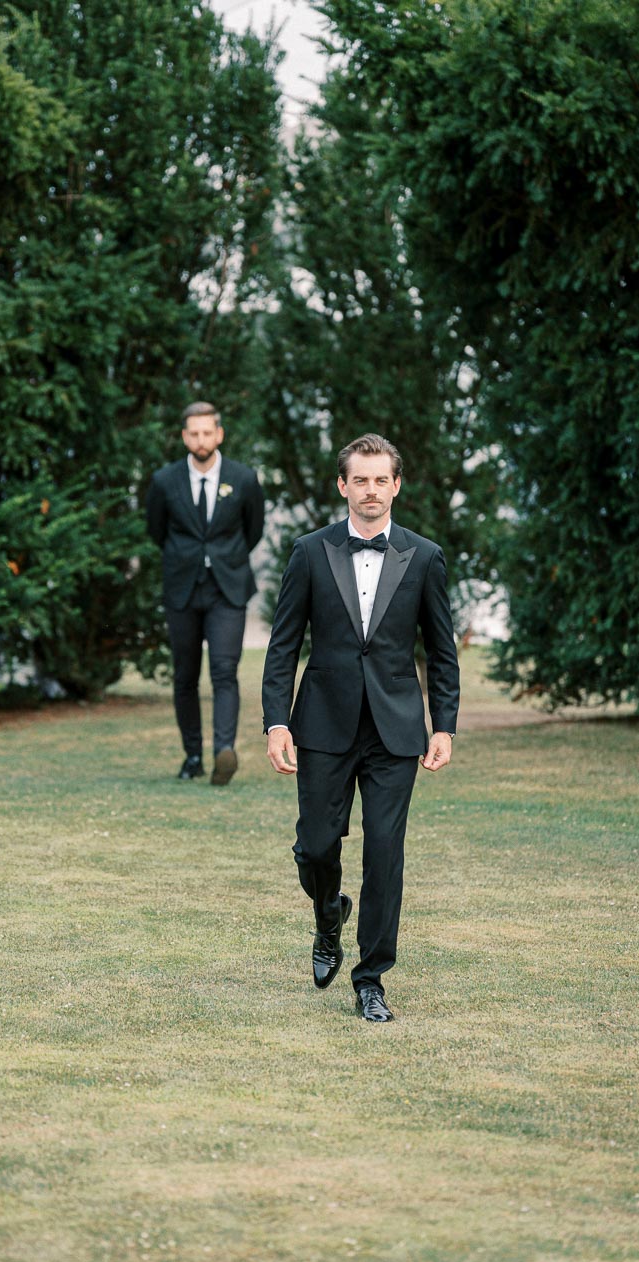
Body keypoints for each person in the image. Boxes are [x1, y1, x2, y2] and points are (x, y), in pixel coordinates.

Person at [262, 433, 460, 1022]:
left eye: (382, 480)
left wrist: (443, 724)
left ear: (396, 485)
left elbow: (443, 652)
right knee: (317, 845)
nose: (371, 490)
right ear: (343, 485)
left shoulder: (424, 557)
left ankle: (370, 978)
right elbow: (282, 647)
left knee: (385, 852)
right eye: (360, 480)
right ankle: (328, 914)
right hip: (322, 722)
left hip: (396, 730)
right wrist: (277, 722)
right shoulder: (309, 552)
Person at [146, 401, 265, 785]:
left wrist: (224, 558)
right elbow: (156, 530)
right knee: (185, 676)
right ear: (185, 437)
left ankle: (222, 754)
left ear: (219, 434)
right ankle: (193, 755)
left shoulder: (243, 478)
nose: (200, 439)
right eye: (193, 433)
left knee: (224, 671)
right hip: (181, 588)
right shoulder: (165, 481)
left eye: (207, 432)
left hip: (227, 589)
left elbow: (254, 529)